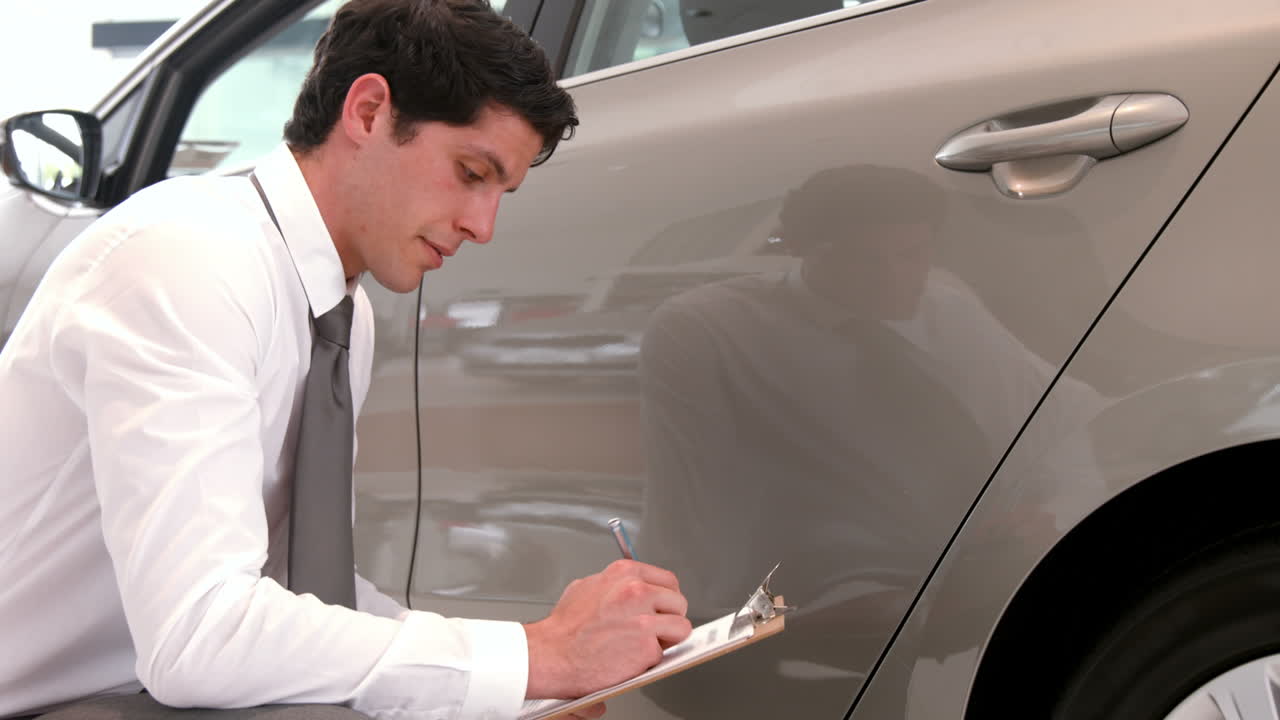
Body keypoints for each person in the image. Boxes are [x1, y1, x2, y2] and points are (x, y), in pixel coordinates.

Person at [0, 1, 691, 718]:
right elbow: (202, 635)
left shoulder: (339, 314)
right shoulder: (187, 263)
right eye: (469, 172)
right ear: (366, 111)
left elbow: (298, 597)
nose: (482, 227)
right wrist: (534, 655)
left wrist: (508, 690)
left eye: (500, 194)